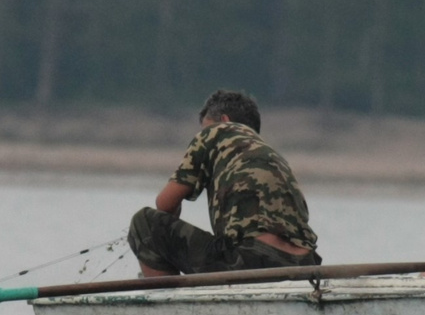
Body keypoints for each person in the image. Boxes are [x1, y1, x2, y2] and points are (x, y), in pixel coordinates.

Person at [129, 89, 323, 277]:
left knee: (144, 223)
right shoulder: (273, 156)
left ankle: (165, 304)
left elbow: (164, 203)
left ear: (224, 120)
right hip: (305, 265)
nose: (203, 133)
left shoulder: (216, 132)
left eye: (205, 127)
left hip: (252, 260)